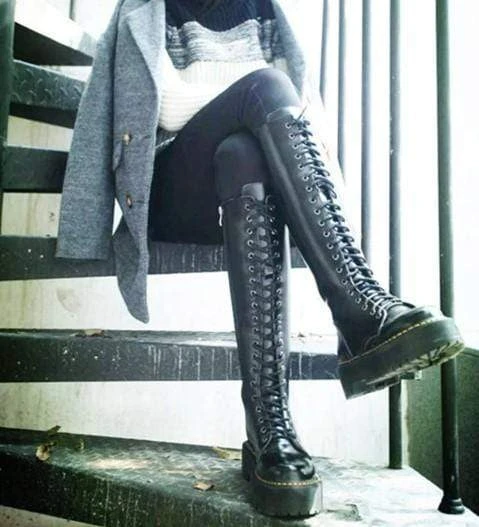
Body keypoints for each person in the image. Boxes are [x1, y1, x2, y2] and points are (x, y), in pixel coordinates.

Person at [56, 0, 465, 518]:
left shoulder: (263, 8)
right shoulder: (145, 9)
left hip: (239, 181)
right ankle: (360, 306)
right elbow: (169, 106)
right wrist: (83, 230)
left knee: (244, 153)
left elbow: (299, 118)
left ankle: (271, 429)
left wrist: (257, 106)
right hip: (175, 188)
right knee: (266, 89)